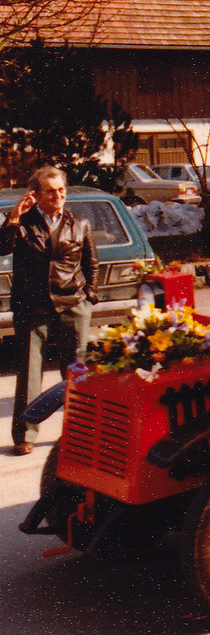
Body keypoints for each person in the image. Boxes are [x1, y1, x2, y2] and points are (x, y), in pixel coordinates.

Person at [2, 167, 95, 455]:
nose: (58, 196)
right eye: (51, 191)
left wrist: (89, 295)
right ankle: (25, 435)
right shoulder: (23, 223)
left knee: (76, 372)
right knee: (30, 373)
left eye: (61, 190)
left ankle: (80, 432)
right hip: (33, 308)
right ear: (36, 194)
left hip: (72, 304)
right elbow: (2, 247)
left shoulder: (79, 223)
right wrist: (14, 217)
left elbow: (91, 261)